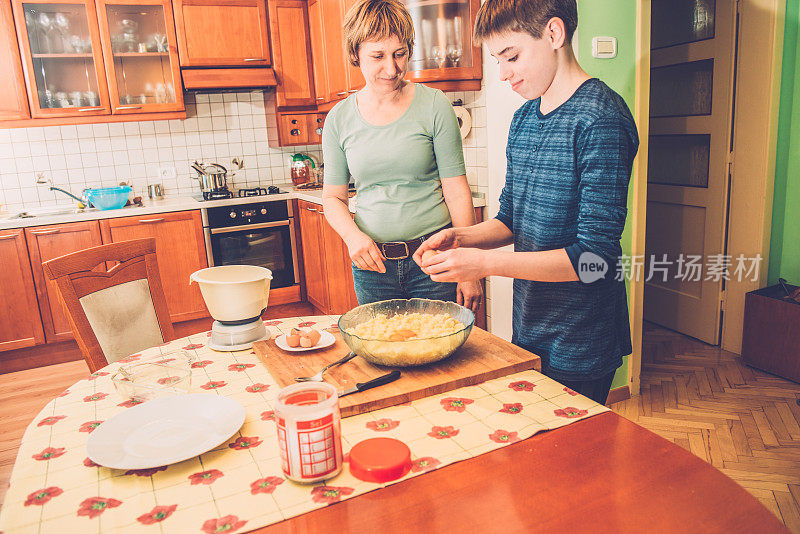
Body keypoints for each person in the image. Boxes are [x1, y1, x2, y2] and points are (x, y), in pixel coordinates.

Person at [414, 0, 638, 404]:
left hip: (582, 337)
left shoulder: (601, 120)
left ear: (554, 34)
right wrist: (461, 238)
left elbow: (596, 260)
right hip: (531, 324)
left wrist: (484, 264)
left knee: (574, 464)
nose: (503, 74)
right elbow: (511, 220)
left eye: (511, 56)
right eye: (498, 60)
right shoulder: (525, 119)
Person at [321, 0, 482, 312]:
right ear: (356, 54)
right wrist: (353, 238)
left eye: (400, 54)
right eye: (378, 56)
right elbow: (333, 198)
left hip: (435, 258)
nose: (392, 68)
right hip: (373, 267)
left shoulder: (434, 105)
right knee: (382, 353)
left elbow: (456, 190)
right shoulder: (338, 119)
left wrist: (467, 266)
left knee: (440, 354)